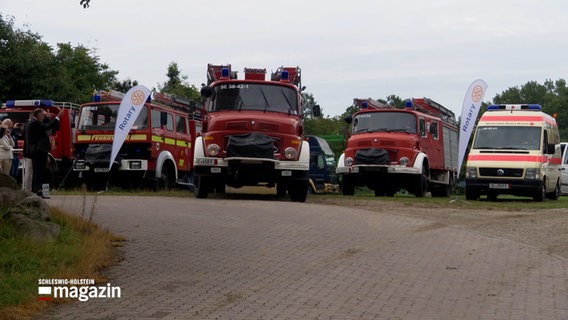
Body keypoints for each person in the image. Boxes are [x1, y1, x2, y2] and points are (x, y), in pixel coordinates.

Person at [23, 108, 64, 198]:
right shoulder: (34, 123)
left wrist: (48, 118)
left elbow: (54, 127)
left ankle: (36, 189)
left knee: (39, 170)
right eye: (43, 114)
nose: (44, 116)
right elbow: (46, 127)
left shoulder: (37, 122)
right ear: (38, 115)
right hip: (38, 150)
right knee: (38, 170)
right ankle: (37, 189)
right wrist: (58, 117)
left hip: (40, 150)